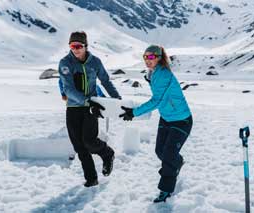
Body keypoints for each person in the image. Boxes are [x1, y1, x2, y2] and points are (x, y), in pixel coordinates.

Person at [119, 45, 192, 202]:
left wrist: (134, 112)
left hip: (181, 120)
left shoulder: (163, 74)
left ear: (159, 57)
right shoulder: (153, 73)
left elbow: (157, 100)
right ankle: (177, 162)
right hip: (166, 117)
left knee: (168, 154)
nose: (147, 60)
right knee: (160, 151)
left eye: (151, 57)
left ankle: (165, 190)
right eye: (145, 57)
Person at [58, 31, 121, 187]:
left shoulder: (95, 62)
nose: (75, 49)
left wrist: (118, 101)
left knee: (90, 141)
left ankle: (107, 154)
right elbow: (68, 89)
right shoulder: (65, 63)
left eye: (79, 46)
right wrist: (86, 101)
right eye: (72, 46)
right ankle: (91, 178)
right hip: (74, 108)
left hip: (92, 108)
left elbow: (106, 81)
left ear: (85, 46)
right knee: (79, 146)